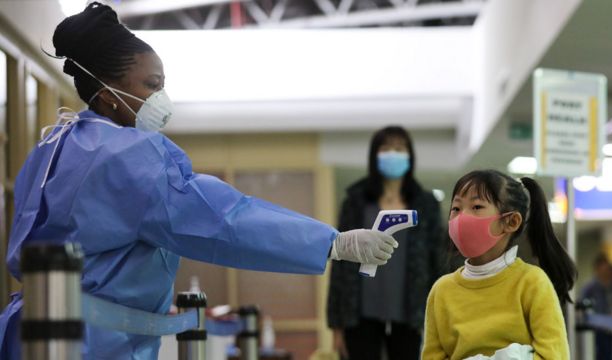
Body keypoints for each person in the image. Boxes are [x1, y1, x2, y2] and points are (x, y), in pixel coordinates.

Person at [0, 3, 398, 359]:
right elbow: (221, 220)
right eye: (152, 85)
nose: (162, 97)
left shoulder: (52, 146)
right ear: (108, 94)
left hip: (30, 335)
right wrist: (333, 243)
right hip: (91, 345)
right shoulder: (126, 154)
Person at [422, 169, 577, 360]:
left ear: (510, 221)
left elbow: (555, 355)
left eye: (477, 207)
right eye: (456, 209)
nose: (462, 218)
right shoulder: (442, 290)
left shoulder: (531, 282)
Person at [327, 126, 443, 360]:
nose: (393, 153)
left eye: (399, 148)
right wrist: (336, 325)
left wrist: (437, 318)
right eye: (386, 148)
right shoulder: (355, 202)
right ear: (374, 156)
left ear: (410, 156)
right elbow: (340, 264)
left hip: (411, 315)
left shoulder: (425, 204)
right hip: (358, 314)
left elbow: (437, 262)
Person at [580, 253, 612, 360]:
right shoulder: (589, 287)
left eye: (607, 269)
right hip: (598, 330)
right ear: (597, 269)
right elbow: (583, 306)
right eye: (603, 268)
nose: (605, 271)